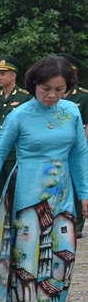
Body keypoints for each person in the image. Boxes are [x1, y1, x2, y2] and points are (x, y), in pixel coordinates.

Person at [0, 56, 88, 302]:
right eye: (46, 88)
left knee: (61, 259)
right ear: (33, 84)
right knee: (27, 261)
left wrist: (84, 195)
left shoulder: (71, 112)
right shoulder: (19, 115)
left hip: (62, 197)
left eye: (60, 89)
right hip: (26, 196)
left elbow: (79, 156)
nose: (52, 95)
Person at [0, 55, 31, 206]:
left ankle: (16, 219)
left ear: (13, 75)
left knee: (16, 188)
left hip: (15, 152)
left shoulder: (25, 97)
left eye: (3, 73)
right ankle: (1, 220)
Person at [57, 53, 88, 238]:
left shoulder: (83, 97)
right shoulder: (52, 94)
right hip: (57, 148)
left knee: (77, 185)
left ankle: (77, 224)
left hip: (76, 147)